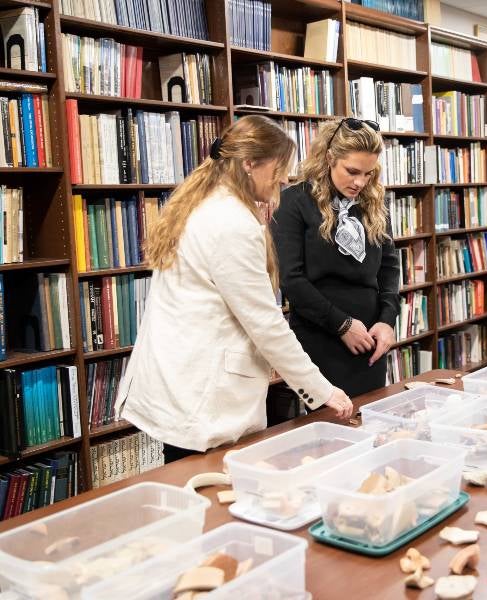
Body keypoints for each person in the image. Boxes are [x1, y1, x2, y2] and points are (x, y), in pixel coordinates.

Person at [115, 115, 353, 464]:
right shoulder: (230, 222)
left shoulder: (201, 204)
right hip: (202, 397)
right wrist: (321, 391)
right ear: (249, 164)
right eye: (279, 167)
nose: (284, 179)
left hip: (181, 383)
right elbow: (265, 323)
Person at [272, 118, 400, 397]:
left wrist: (388, 320)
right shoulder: (294, 202)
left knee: (369, 418)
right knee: (327, 427)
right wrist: (342, 325)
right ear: (330, 158)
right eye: (352, 171)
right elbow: (292, 280)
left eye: (368, 173)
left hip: (370, 338)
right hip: (319, 335)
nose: (360, 182)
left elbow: (389, 267)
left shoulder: (374, 204)